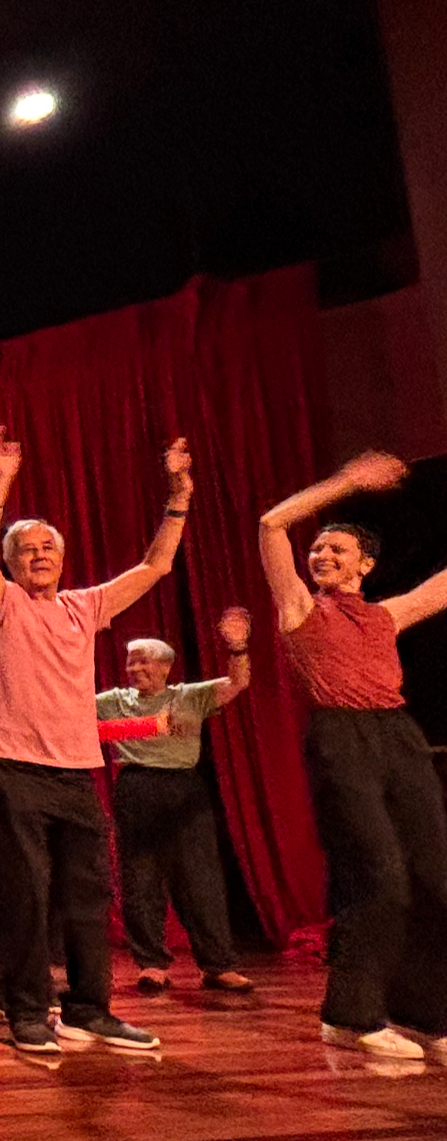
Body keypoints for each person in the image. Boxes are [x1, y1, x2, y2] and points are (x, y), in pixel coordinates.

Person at [0, 425, 190, 1055]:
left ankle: (90, 1008)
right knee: (26, 893)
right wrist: (2, 482)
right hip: (13, 767)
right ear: (13, 563)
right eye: (27, 548)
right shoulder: (5, 602)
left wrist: (178, 496)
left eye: (49, 547)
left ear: (63, 558)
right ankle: (26, 1008)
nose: (39, 555)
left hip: (75, 771)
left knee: (88, 896)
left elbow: (157, 564)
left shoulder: (84, 607)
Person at [259, 450, 447, 1061]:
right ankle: (349, 1014)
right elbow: (270, 526)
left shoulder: (385, 616)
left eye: (338, 550)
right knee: (381, 877)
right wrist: (344, 484)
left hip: (400, 738)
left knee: (434, 877)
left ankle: (423, 1014)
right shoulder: (300, 609)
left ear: (367, 565)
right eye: (318, 551)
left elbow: (440, 588)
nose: (323, 556)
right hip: (342, 741)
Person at [0, 604, 173, 1020]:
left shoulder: (42, 690)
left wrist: (149, 726)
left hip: (37, 798)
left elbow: (84, 730)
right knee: (11, 892)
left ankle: (39, 974)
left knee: (50, 889)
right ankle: (7, 976)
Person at [95, 609, 254, 995]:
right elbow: (73, 717)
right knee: (140, 879)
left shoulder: (190, 696)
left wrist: (237, 647)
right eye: (131, 662)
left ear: (166, 666)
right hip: (136, 786)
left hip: (186, 789)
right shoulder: (114, 700)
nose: (134, 669)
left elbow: (239, 682)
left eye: (143, 661)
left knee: (201, 879)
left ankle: (217, 964)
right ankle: (151, 964)